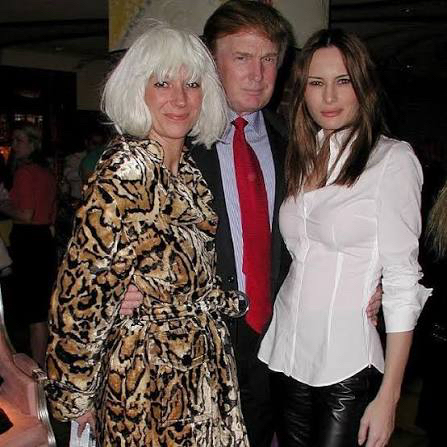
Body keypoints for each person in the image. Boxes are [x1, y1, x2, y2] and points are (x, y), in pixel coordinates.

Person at [121, 3, 382, 446]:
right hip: (191, 349)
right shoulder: (171, 140)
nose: (257, 74)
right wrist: (121, 282)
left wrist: (369, 283)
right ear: (211, 61)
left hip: (274, 342)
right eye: (241, 57)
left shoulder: (300, 147)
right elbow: (108, 237)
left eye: (268, 59)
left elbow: (334, 230)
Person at [45, 22, 250, 446]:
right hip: (146, 380)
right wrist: (78, 394)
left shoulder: (187, 171)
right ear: (137, 90)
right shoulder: (127, 170)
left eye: (192, 84)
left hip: (199, 370)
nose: (180, 99)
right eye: (162, 83)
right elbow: (81, 291)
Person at [258, 29, 431, 447]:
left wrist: (389, 396)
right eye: (316, 83)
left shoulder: (391, 160)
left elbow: (403, 282)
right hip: (285, 352)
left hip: (346, 365)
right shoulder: (300, 157)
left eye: (343, 81)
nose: (329, 97)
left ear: (363, 86)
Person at [0, 123, 57, 368]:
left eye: (19, 140)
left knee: (33, 315)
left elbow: (25, 214)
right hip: (44, 240)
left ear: (33, 144)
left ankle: (36, 370)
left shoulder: (24, 173)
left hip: (29, 242)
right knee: (41, 313)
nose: (14, 145)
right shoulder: (47, 172)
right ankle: (42, 367)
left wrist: (2, 204)